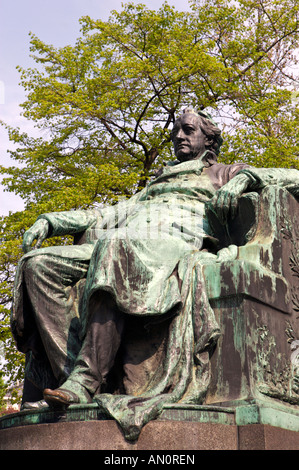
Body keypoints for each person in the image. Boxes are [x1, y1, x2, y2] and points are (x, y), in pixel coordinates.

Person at [11, 108, 299, 440]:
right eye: (176, 131)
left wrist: (246, 179)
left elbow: (294, 177)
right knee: (38, 265)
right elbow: (110, 213)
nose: (178, 136)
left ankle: (85, 380)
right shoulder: (156, 183)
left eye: (188, 130)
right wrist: (52, 220)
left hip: (172, 246)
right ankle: (74, 381)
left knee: (115, 245)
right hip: (127, 242)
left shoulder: (222, 172)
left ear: (209, 139)